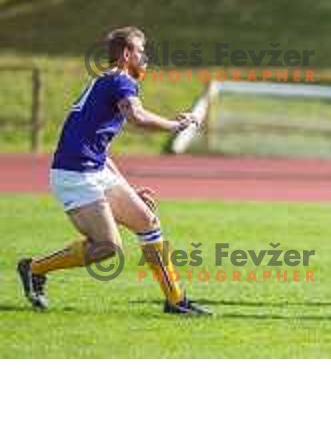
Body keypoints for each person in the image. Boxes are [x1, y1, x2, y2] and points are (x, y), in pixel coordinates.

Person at [17, 26, 211, 316]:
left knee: (147, 220)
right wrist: (176, 125)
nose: (144, 57)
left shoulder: (111, 82)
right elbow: (137, 117)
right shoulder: (121, 81)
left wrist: (128, 190)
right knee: (108, 247)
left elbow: (100, 150)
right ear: (125, 54)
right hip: (75, 175)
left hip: (94, 169)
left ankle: (175, 300)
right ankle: (34, 269)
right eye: (140, 51)